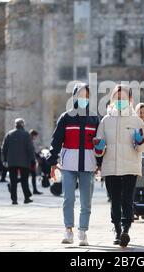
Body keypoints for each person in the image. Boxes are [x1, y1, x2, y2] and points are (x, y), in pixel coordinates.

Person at [95, 85, 144, 247]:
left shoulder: (136, 121)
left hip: (130, 166)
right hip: (111, 167)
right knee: (115, 199)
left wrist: (140, 142)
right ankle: (117, 229)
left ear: (130, 100)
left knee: (127, 199)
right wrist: (99, 148)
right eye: (117, 98)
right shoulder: (105, 121)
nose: (120, 101)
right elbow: (99, 146)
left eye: (123, 98)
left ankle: (126, 229)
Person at [47, 83, 101, 246]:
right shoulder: (66, 117)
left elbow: (99, 144)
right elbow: (56, 141)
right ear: (75, 96)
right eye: (80, 94)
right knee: (68, 198)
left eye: (86, 95)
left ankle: (83, 231)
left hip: (88, 165)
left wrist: (100, 163)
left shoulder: (94, 118)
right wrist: (53, 162)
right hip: (68, 164)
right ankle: (68, 229)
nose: (83, 98)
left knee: (86, 201)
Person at [1, 118, 35, 205]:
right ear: (23, 125)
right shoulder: (26, 134)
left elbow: (4, 148)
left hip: (11, 162)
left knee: (13, 181)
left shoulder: (9, 134)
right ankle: (26, 198)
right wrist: (32, 160)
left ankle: (14, 200)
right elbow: (30, 148)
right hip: (24, 162)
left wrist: (5, 159)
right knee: (24, 180)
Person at [29, 129, 42, 195]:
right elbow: (31, 151)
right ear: (32, 135)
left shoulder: (29, 140)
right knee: (30, 176)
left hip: (30, 160)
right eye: (35, 136)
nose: (35, 138)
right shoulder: (29, 141)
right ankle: (35, 190)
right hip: (30, 161)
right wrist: (37, 155)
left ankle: (35, 190)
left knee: (30, 176)